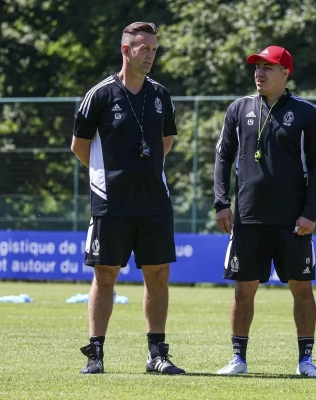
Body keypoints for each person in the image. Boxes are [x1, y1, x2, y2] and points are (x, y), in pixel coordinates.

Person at [71, 22, 185, 375]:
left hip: (154, 201)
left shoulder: (160, 94)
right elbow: (79, 146)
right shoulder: (100, 94)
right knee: (106, 275)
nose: (150, 55)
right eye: (144, 48)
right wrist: (108, 176)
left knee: (159, 275)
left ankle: (157, 354)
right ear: (126, 50)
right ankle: (95, 353)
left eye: (154, 49)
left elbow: (166, 141)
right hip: (112, 202)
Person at [213, 45, 316, 377]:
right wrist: (222, 202)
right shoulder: (239, 108)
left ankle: (306, 360)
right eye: (257, 67)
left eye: (268, 67)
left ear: (285, 73)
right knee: (243, 289)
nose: (259, 73)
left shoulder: (307, 113)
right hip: (248, 217)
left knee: (302, 288)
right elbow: (223, 157)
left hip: (294, 220)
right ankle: (238, 358)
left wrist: (310, 212)